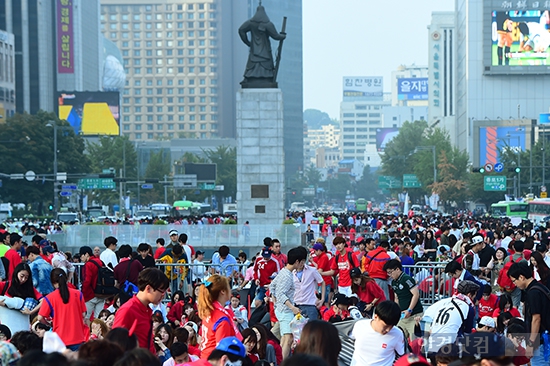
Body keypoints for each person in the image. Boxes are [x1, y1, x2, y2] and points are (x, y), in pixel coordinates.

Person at [113, 268, 170, 352]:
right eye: (161, 291)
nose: (163, 296)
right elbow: (115, 345)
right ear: (148, 288)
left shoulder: (147, 310)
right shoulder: (128, 310)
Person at [507, 261, 550, 366]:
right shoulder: (541, 287)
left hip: (541, 342)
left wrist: (530, 343)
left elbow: (536, 319)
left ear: (521, 277)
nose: (514, 284)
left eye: (514, 281)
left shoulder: (533, 293)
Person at [422, 280, 479, 353]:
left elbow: (426, 317)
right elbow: (467, 332)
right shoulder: (468, 307)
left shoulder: (445, 301)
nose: (474, 298)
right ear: (469, 295)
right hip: (449, 346)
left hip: (432, 343)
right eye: (474, 295)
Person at [37, 268, 87, 351]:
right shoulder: (78, 294)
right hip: (77, 337)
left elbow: (40, 317)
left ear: (52, 282)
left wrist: (49, 324)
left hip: (59, 339)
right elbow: (83, 314)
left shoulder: (49, 298)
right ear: (66, 278)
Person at [269, 246, 305, 359]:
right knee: (288, 338)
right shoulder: (287, 276)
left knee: (285, 338)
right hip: (285, 310)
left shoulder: (283, 272)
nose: (303, 264)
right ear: (297, 261)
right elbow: (281, 294)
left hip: (281, 309)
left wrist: (274, 299)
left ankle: (280, 359)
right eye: (303, 262)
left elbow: (272, 286)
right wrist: (292, 307)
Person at [238, 4, 286, 87]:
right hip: (265, 50)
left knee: (252, 63)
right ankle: (266, 78)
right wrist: (283, 36)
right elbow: (276, 36)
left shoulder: (251, 23)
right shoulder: (268, 24)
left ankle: (249, 78)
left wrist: (247, 42)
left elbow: (241, 30)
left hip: (254, 50)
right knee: (265, 64)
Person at [349, 300, 405, 366]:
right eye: (385, 326)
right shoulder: (360, 326)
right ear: (376, 317)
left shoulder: (397, 334)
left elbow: (401, 353)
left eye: (392, 326)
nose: (388, 330)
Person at [197, 274, 239, 360]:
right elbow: (222, 351)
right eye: (228, 287)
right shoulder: (222, 319)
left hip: (205, 358)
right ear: (223, 291)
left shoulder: (208, 311)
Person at [383, 259, 423, 340]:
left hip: (414, 315)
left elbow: (416, 294)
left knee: (415, 340)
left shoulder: (406, 279)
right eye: (388, 273)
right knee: (397, 337)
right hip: (403, 316)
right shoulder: (393, 282)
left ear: (397, 269)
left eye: (390, 272)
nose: (389, 275)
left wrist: (409, 310)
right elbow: (396, 297)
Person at [293, 246, 325, 320]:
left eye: (303, 261)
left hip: (310, 305)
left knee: (311, 329)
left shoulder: (312, 270)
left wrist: (322, 299)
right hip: (296, 305)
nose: (301, 263)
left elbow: (322, 282)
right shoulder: (291, 272)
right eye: (299, 261)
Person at [79, 245, 105, 323]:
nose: (81, 258)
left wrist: (83, 294)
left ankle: (89, 334)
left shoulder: (88, 265)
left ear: (86, 254)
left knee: (86, 318)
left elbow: (87, 281)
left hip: (90, 295)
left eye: (81, 256)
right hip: (102, 293)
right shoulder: (100, 261)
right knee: (98, 319)